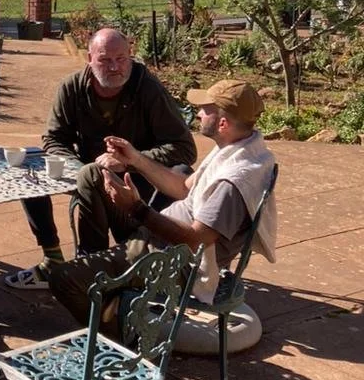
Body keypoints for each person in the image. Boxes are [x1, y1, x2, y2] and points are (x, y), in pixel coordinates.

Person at [42, 79, 278, 328]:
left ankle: (120, 336)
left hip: (176, 262)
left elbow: (195, 241)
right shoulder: (237, 148)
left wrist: (135, 207)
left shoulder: (233, 180)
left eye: (205, 109)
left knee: (61, 278)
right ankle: (106, 280)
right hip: (161, 235)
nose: (197, 113)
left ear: (222, 123)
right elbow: (182, 187)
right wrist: (136, 159)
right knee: (93, 174)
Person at [5, 27, 196, 290]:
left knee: (183, 172)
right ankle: (53, 257)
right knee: (27, 168)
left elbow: (184, 148)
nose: (115, 67)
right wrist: (78, 169)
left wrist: (132, 160)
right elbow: (53, 138)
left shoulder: (148, 90)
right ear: (89, 58)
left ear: (131, 56)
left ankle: (109, 265)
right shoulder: (71, 88)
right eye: (105, 59)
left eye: (122, 59)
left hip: (140, 181)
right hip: (86, 173)